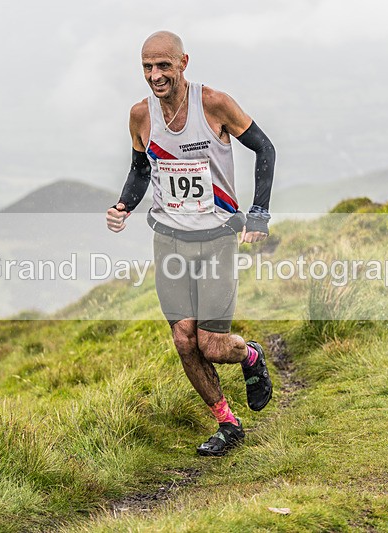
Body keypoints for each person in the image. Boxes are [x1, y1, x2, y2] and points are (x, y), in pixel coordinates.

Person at [105, 31, 275, 456]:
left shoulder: (213, 103)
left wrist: (259, 213)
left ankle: (250, 357)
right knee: (183, 339)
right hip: (169, 238)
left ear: (183, 62)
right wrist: (124, 204)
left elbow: (264, 148)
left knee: (212, 344)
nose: (155, 75)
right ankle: (227, 422)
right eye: (147, 67)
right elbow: (142, 168)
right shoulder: (140, 116)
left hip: (216, 237)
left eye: (163, 65)